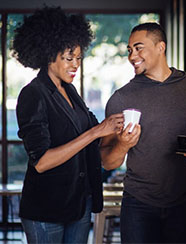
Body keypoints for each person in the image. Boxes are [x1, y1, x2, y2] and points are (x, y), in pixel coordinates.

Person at [12, 6, 124, 243]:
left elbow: (98, 135)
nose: (76, 65)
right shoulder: (33, 94)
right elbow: (41, 162)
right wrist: (95, 132)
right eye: (69, 58)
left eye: (79, 58)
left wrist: (121, 131)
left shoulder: (70, 91)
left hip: (79, 204)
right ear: (48, 54)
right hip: (46, 209)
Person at [100, 22, 186, 243]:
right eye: (129, 50)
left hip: (184, 203)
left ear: (160, 47)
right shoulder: (121, 98)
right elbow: (107, 161)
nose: (132, 56)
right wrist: (124, 145)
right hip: (138, 204)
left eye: (138, 48)